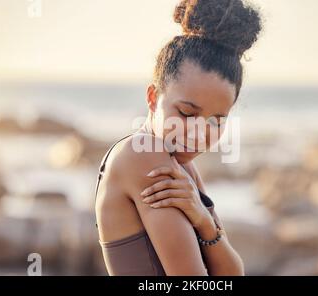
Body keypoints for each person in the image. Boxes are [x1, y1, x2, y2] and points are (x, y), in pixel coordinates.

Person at [95, 0, 262, 276]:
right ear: (152, 97)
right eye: (186, 113)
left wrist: (203, 220)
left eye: (216, 120)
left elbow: (234, 273)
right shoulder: (143, 155)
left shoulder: (183, 166)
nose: (199, 132)